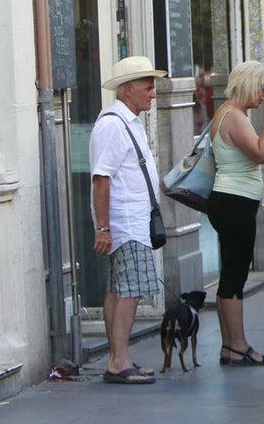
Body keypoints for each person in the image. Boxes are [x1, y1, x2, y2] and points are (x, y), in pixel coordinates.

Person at [90, 55, 167, 385]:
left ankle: (117, 358)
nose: (152, 92)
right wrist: (104, 227)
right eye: (147, 86)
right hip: (126, 224)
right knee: (129, 290)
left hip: (131, 222)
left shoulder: (126, 122)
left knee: (119, 289)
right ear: (127, 89)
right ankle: (119, 360)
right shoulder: (112, 125)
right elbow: (101, 179)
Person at [210, 61, 264, 367]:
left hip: (231, 199)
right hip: (235, 199)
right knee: (236, 274)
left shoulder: (227, 113)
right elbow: (261, 153)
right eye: (263, 87)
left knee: (230, 273)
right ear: (248, 84)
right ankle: (239, 345)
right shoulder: (234, 116)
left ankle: (230, 345)